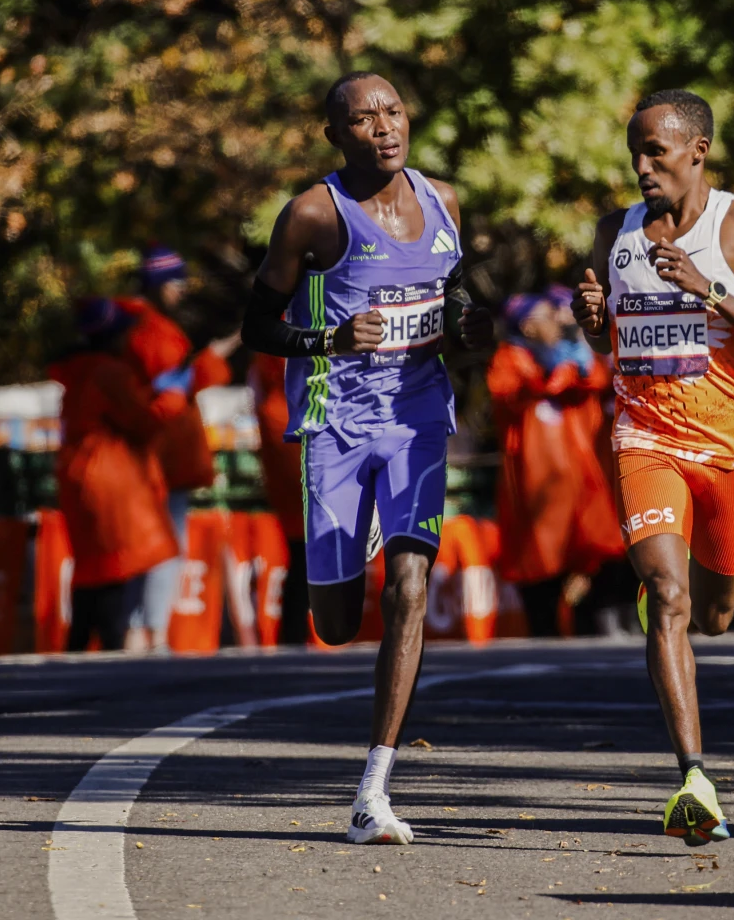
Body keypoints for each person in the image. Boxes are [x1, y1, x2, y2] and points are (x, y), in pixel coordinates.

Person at [241, 71, 491, 845]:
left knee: (409, 590)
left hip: (417, 417)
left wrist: (467, 321)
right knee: (337, 622)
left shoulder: (445, 200)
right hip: (336, 424)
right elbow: (257, 324)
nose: (383, 127)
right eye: (362, 118)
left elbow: (467, 310)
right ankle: (364, 534)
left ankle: (373, 788)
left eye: (393, 112)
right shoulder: (314, 215)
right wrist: (328, 338)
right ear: (335, 134)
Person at [571, 89, 734, 845]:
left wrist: (709, 292)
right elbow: (611, 347)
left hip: (730, 447)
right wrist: (594, 324)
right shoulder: (616, 232)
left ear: (697, 152)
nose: (641, 167)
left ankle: (679, 607)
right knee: (668, 594)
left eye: (656, 153)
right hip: (644, 439)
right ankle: (694, 779)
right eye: (634, 152)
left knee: (715, 613)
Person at [119, 247, 238, 652]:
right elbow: (172, 389)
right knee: (163, 547)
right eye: (175, 282)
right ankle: (148, 632)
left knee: (153, 546)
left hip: (156, 456)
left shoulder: (140, 327)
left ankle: (143, 630)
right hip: (160, 457)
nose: (182, 290)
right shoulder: (150, 331)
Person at [51, 298, 186, 652]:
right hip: (111, 485)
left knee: (91, 578)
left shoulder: (78, 372)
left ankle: (78, 653)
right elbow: (145, 423)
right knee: (117, 575)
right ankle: (113, 654)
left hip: (79, 480)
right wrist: (174, 395)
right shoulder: (111, 373)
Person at [487, 290, 620, 636]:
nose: (557, 323)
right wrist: (557, 368)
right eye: (549, 316)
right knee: (542, 606)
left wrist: (576, 342)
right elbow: (512, 389)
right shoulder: (509, 360)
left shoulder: (572, 359)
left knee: (594, 600)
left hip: (581, 506)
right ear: (528, 327)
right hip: (536, 510)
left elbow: (599, 379)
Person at [248, 352, 310, 644]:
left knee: (300, 553)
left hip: (286, 458)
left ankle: (295, 633)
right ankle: (294, 633)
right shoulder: (281, 405)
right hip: (295, 458)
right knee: (303, 552)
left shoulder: (270, 402)